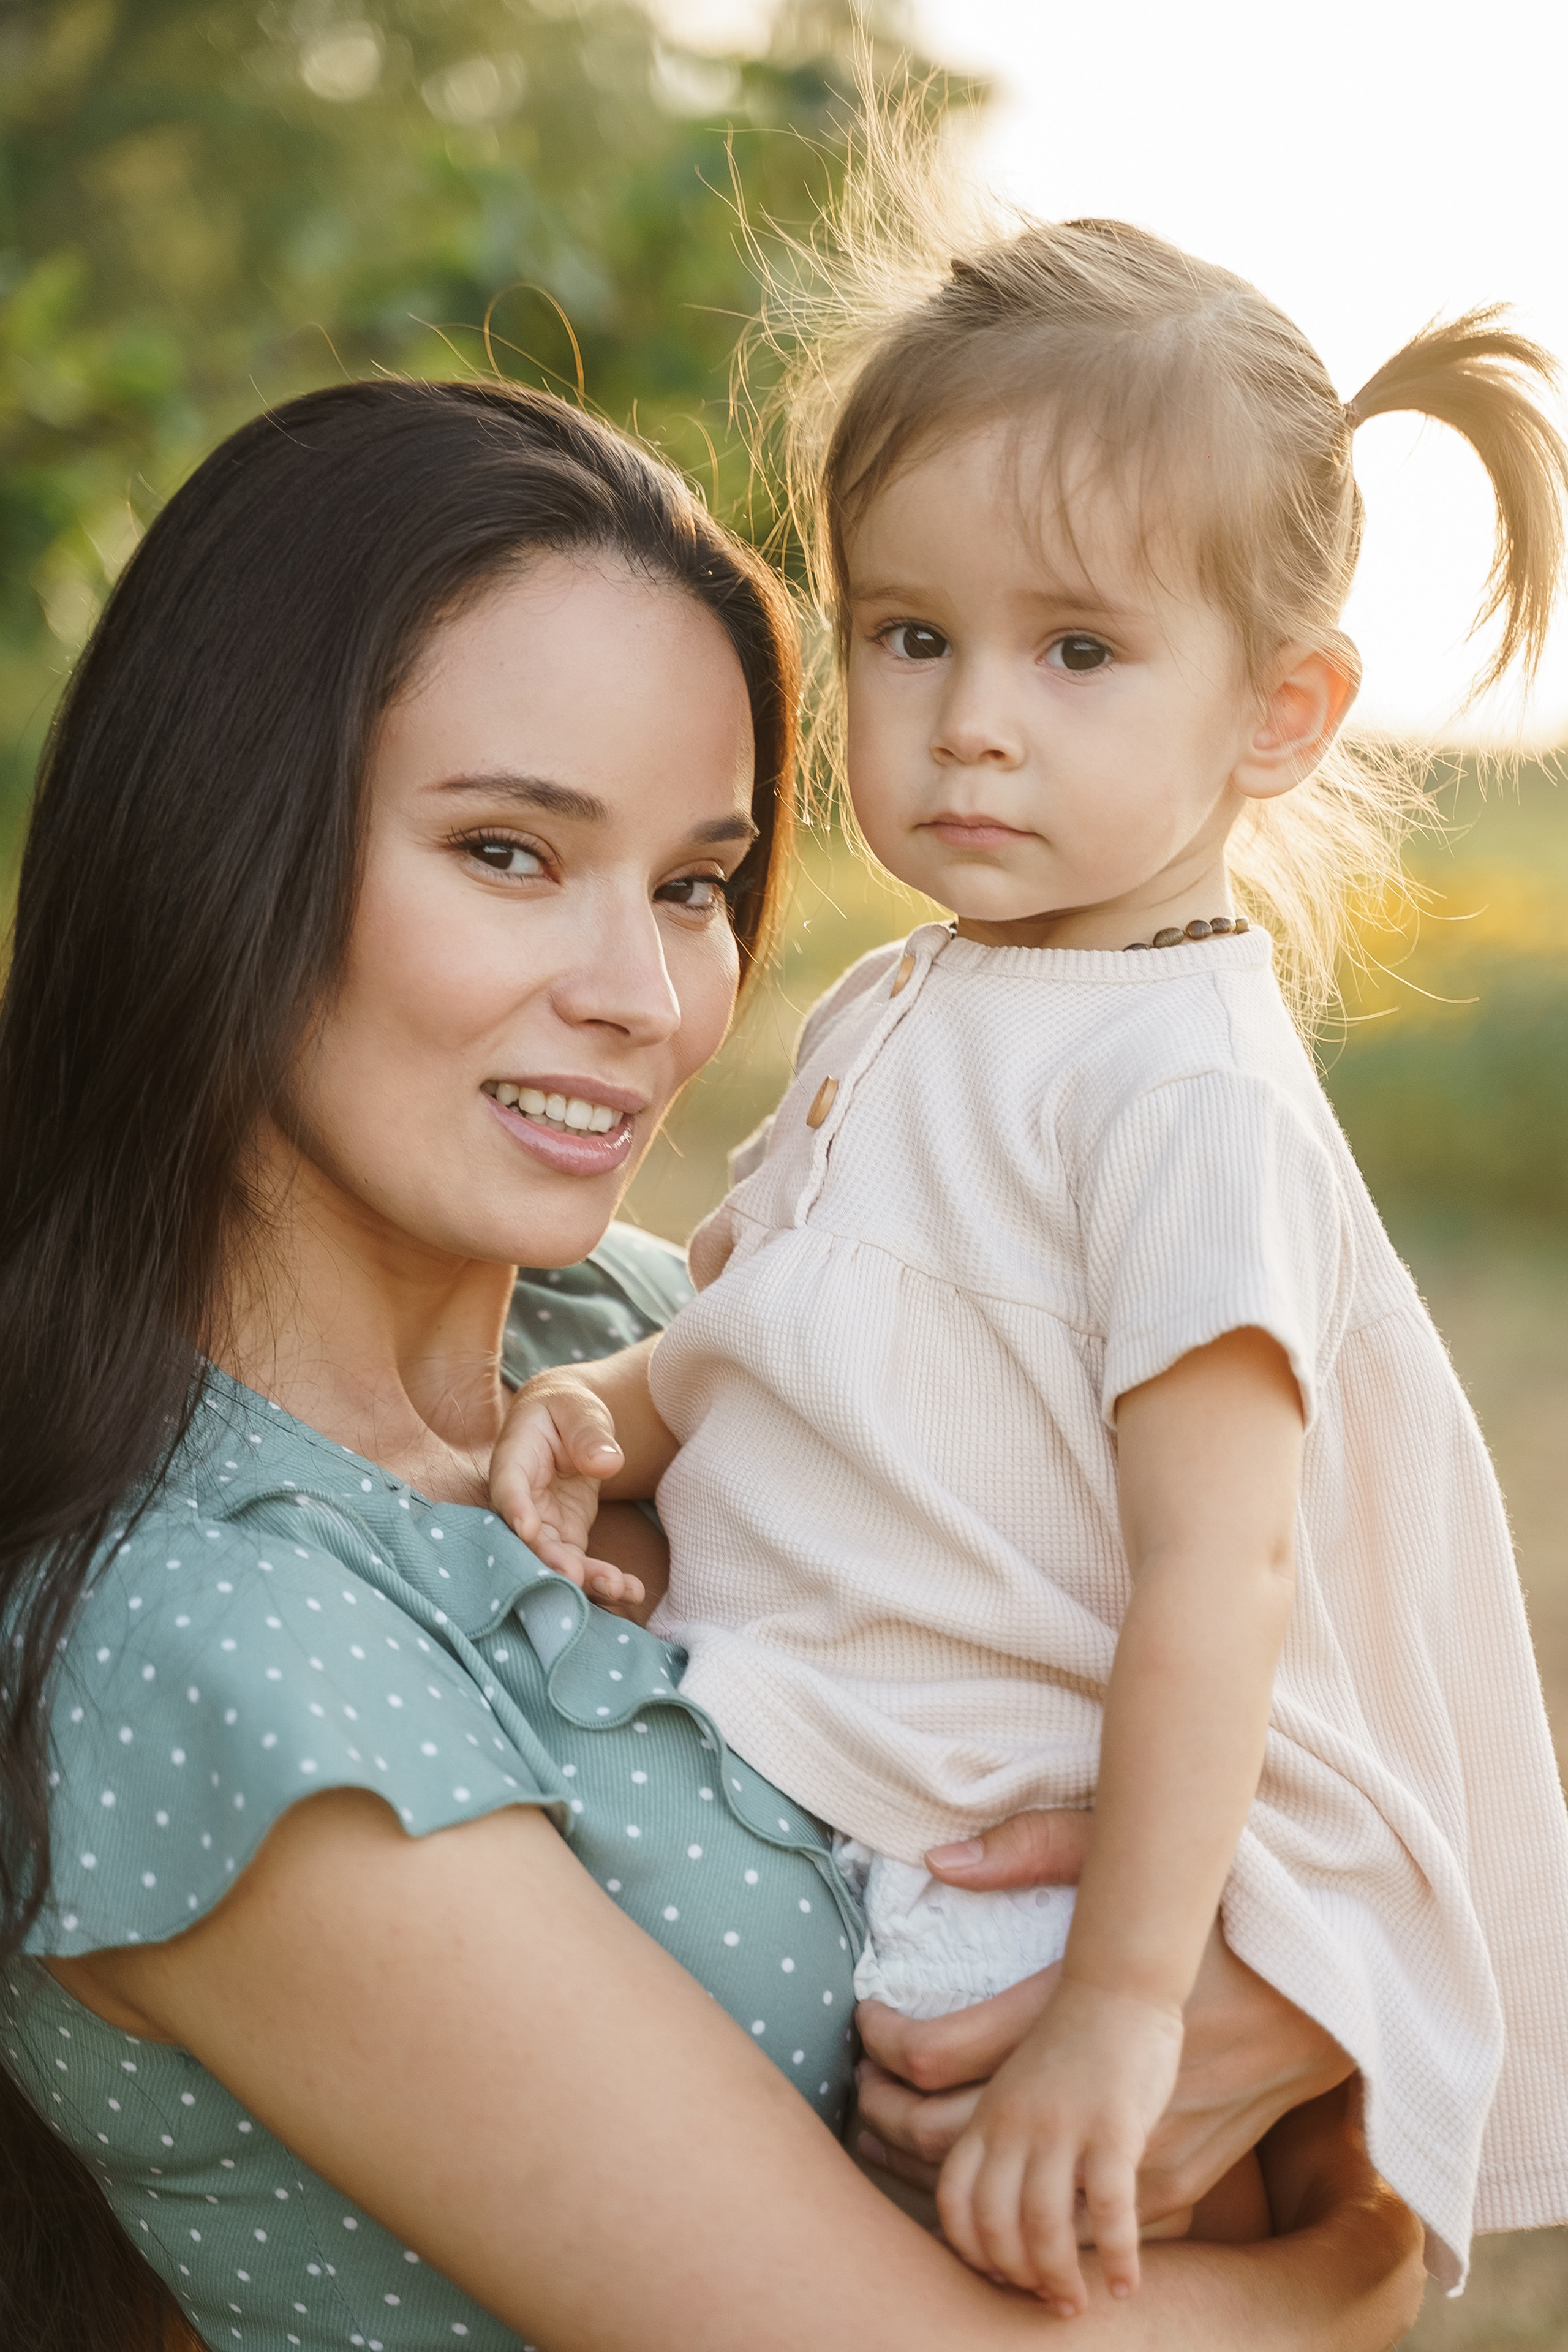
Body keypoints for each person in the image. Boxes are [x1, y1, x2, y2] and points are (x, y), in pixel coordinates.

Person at [0, 377, 1424, 2352]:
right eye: (508, 852)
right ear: (217, 849)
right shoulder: (215, 1641)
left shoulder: (662, 1336)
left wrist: (1264, 1985)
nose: (645, 997)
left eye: (693, 883)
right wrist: (1357, 2257)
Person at [494, 187, 1568, 2316]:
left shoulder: (1178, 1090)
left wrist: (1119, 2011)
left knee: (980, 2285)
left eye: (1076, 650)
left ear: (1277, 716)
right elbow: (791, 1336)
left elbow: (1217, 1573)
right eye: (913, 636)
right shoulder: (916, 1006)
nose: (973, 717)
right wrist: (598, 1409)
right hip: (857, 1788)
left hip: (1013, 1884)